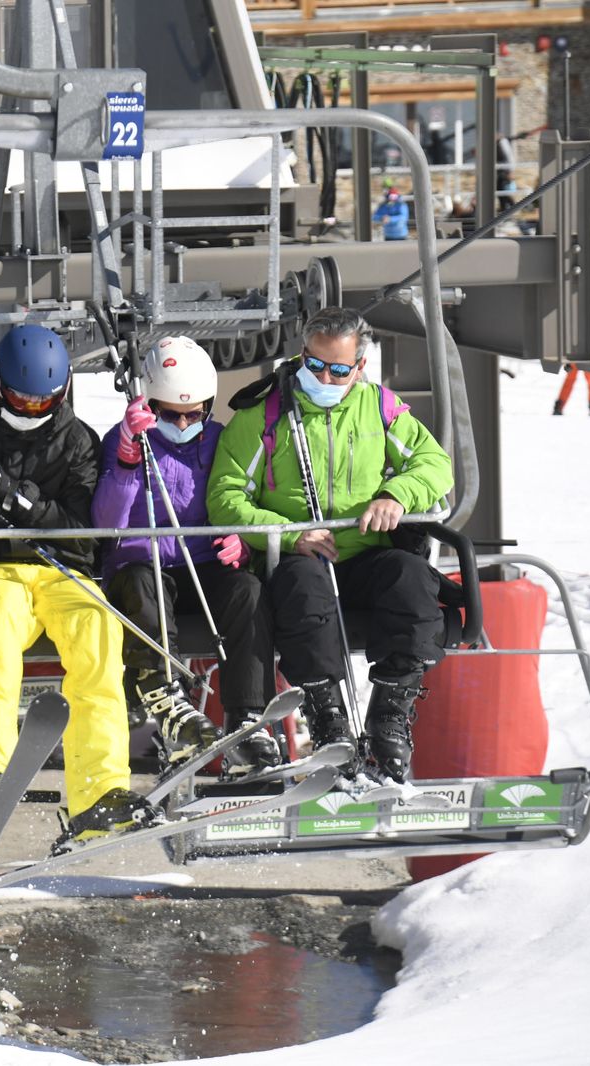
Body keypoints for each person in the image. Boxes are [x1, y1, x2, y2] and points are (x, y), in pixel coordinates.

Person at [207, 307, 455, 784]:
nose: (324, 376)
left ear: (359, 367)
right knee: (303, 589)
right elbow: (225, 496)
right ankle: (328, 717)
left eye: (338, 369)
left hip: (364, 556)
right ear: (302, 356)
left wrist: (395, 494)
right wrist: (287, 532)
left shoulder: (379, 409)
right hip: (298, 558)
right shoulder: (263, 415)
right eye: (315, 364)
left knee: (411, 579)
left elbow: (434, 464)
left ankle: (389, 716)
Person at [0, 323, 139, 849]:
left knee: (99, 638)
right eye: (21, 399)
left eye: (42, 401)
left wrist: (22, 501)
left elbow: (84, 534)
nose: (31, 410)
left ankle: (101, 789)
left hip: (62, 570)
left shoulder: (77, 441)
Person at [93, 336, 281, 777]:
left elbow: (240, 495)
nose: (182, 422)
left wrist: (244, 540)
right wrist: (124, 461)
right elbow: (107, 521)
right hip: (143, 566)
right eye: (169, 413)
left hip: (202, 564)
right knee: (143, 583)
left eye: (193, 412)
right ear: (148, 405)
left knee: (247, 590)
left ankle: (247, 716)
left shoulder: (220, 439)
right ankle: (166, 698)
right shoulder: (127, 443)